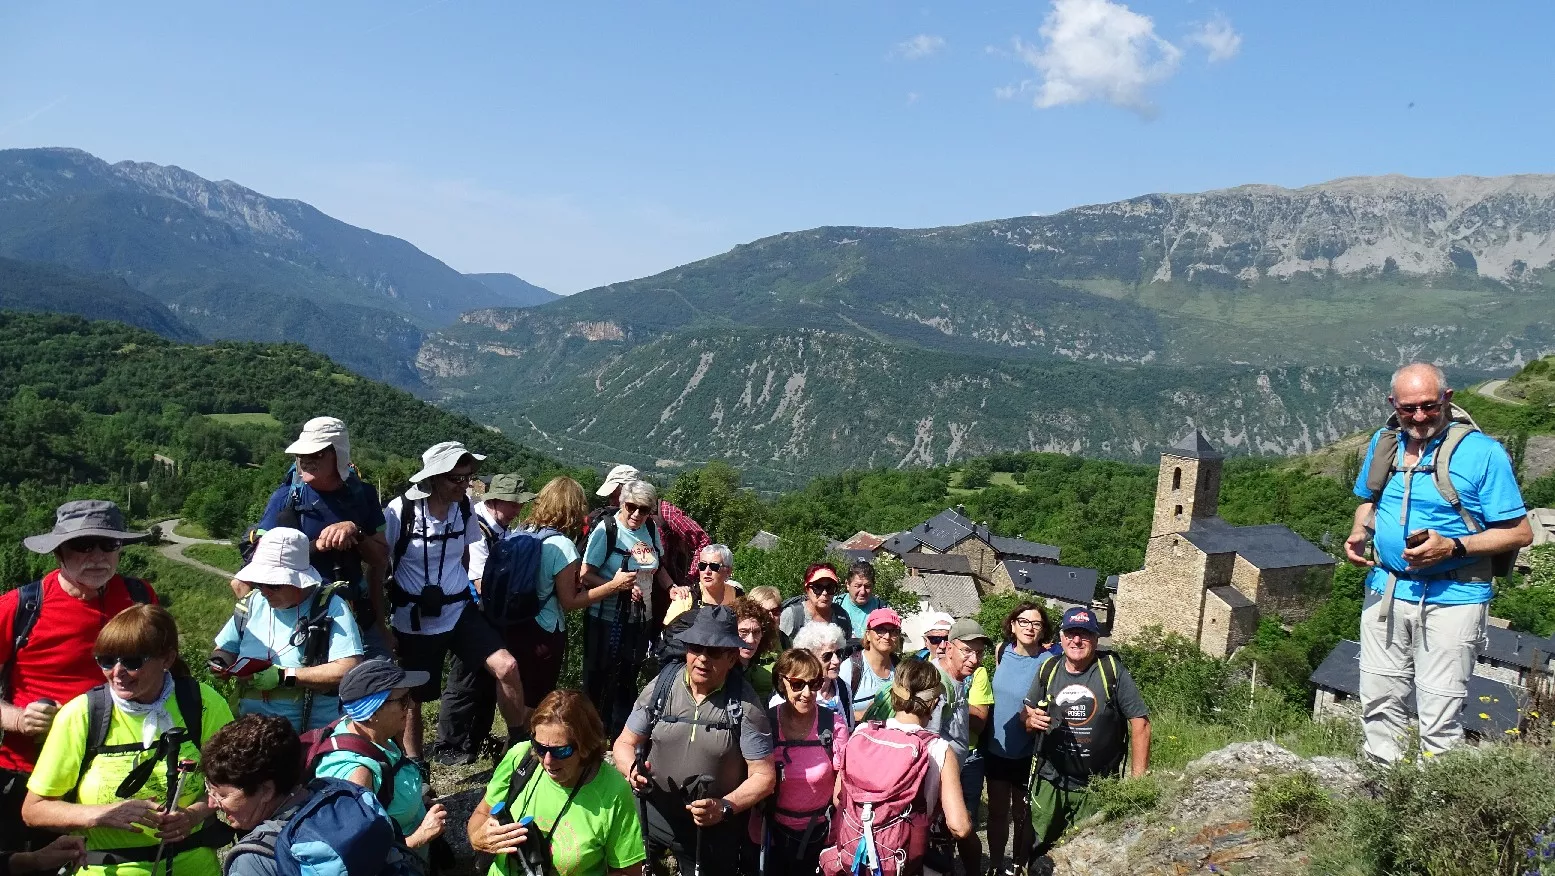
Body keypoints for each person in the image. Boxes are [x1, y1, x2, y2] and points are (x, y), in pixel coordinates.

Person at [1344, 363, 1533, 764]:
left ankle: (1434, 803)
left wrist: (1453, 547)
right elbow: (1369, 500)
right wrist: (1361, 531)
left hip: (1456, 596)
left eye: (1429, 406)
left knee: (1440, 708)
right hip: (1387, 590)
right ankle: (1382, 788)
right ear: (1393, 404)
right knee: (1378, 695)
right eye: (1408, 408)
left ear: (1447, 399)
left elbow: (1520, 533)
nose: (1418, 417)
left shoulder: (1483, 454)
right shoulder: (1385, 443)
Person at [23, 606, 234, 876]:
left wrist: (192, 815)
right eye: (106, 660)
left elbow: (233, 784)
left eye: (133, 661)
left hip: (193, 865)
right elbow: (34, 809)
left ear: (167, 659)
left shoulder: (203, 703)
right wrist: (102, 814)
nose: (117, 672)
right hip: (105, 867)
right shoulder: (82, 714)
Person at [0, 501, 157, 852]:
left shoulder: (139, 597)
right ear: (59, 551)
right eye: (83, 545)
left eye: (109, 544)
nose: (98, 556)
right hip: (33, 776)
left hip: (115, 771)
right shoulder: (21, 606)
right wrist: (19, 719)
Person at [384, 441, 529, 762]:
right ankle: (416, 768)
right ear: (433, 477)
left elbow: (462, 556)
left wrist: (461, 592)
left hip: (459, 611)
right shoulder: (400, 512)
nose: (465, 485)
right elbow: (378, 564)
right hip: (415, 618)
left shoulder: (464, 509)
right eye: (456, 478)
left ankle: (519, 746)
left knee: (507, 666)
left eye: (469, 477)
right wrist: (383, 624)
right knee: (413, 698)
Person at [611, 606, 775, 876]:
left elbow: (764, 776)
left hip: (711, 828)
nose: (702, 658)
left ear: (732, 658)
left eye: (713, 652)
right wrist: (632, 770)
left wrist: (724, 807)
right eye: (695, 648)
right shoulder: (662, 686)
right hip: (651, 814)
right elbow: (624, 743)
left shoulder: (746, 706)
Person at [244, 417, 393, 659]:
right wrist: (317, 546)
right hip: (303, 620)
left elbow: (380, 558)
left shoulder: (363, 495)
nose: (306, 461)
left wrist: (356, 531)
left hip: (357, 614)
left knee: (382, 688)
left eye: (316, 454)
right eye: (302, 455)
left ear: (338, 454)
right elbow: (260, 562)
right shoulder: (285, 498)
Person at [203, 715, 412, 876]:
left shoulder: (253, 861)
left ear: (266, 790)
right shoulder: (337, 792)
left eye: (222, 794)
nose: (212, 802)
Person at [820, 658, 971, 876]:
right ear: (933, 703)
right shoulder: (939, 750)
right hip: (904, 859)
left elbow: (838, 798)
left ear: (893, 694)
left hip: (856, 857)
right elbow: (960, 827)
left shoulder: (861, 733)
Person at [1023, 607, 1150, 865]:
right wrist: (1029, 720)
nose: (1076, 641)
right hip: (1050, 780)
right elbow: (1026, 714)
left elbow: (1140, 723)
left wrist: (1138, 786)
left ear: (1095, 639)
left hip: (1097, 786)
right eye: (1071, 633)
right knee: (1037, 846)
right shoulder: (1049, 668)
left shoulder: (1111, 670)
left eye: (1084, 634)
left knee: (1089, 856)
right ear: (1061, 637)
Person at [470, 691, 645, 876]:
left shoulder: (613, 791)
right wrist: (479, 838)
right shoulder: (520, 757)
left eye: (560, 751)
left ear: (585, 745)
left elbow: (628, 872)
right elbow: (481, 813)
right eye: (540, 747)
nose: (547, 761)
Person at [433, 473, 541, 766]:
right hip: (470, 613)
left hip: (487, 614)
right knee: (465, 680)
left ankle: (472, 741)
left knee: (482, 681)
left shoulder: (497, 526)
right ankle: (449, 746)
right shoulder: (479, 529)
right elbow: (479, 580)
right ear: (495, 501)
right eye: (514, 504)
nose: (519, 510)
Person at [212, 528, 364, 733]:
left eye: (273, 585)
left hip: (310, 737)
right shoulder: (252, 602)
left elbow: (348, 669)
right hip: (252, 733)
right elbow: (226, 648)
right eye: (259, 583)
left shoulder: (330, 606)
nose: (264, 591)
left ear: (298, 581)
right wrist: (220, 663)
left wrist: (286, 676)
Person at [312, 660, 446, 858]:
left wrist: (418, 799)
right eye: (403, 700)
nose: (409, 706)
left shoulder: (371, 734)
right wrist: (419, 837)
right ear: (372, 711)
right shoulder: (355, 774)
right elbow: (356, 854)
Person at [582, 479, 677, 736]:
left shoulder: (651, 529)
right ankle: (591, 733)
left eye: (644, 509)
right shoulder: (607, 530)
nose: (636, 514)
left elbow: (658, 569)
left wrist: (671, 588)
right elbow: (585, 575)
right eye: (631, 506)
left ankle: (619, 734)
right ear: (621, 503)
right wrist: (616, 586)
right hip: (605, 618)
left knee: (627, 676)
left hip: (640, 618)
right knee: (599, 677)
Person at [753, 649, 849, 876]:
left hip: (821, 834)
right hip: (770, 834)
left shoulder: (833, 725)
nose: (807, 693)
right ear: (781, 682)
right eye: (797, 684)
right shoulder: (765, 723)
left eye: (814, 684)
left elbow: (843, 783)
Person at [984, 603, 1052, 876]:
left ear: (1043, 629)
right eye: (1023, 621)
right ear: (1012, 625)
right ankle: (995, 864)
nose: (1029, 628)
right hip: (997, 745)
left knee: (1023, 815)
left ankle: (1018, 865)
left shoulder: (1048, 662)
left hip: (1029, 750)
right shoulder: (1001, 651)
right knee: (998, 812)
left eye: (1036, 624)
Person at [788, 623, 855, 730]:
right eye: (827, 656)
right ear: (810, 658)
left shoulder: (843, 688)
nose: (836, 661)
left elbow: (849, 729)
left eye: (838, 653)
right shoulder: (793, 692)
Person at [843, 608, 902, 723]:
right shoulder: (851, 668)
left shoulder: (900, 668)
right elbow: (836, 714)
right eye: (880, 630)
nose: (887, 636)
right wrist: (866, 714)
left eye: (893, 631)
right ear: (868, 635)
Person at [664, 545, 742, 628]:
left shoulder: (738, 597)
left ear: (728, 571)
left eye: (714, 566)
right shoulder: (685, 597)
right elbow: (669, 634)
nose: (707, 571)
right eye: (702, 566)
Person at [778, 565, 852, 643]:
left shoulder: (842, 617)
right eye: (817, 587)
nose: (824, 593)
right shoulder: (792, 615)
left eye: (830, 587)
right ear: (806, 589)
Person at [734, 599, 777, 701]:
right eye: (743, 632)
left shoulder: (755, 665)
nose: (751, 640)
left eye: (756, 632)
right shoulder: (721, 668)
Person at [832, 561, 883, 643]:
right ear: (847, 584)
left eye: (867, 586)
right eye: (858, 586)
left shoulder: (881, 608)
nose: (862, 591)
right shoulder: (834, 604)